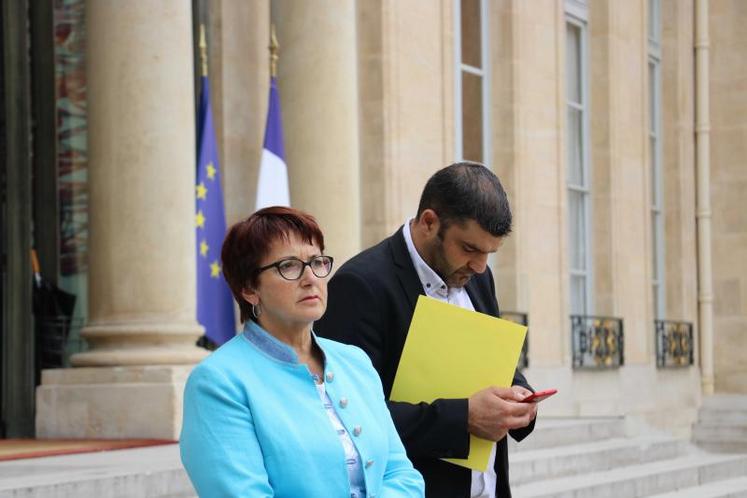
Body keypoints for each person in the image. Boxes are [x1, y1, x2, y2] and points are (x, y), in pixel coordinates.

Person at [315, 162, 538, 498]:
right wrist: (462, 417)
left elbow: (494, 362)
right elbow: (347, 418)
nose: (479, 266)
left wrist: (520, 397)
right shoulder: (360, 285)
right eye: (469, 249)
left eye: (489, 254)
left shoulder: (479, 276)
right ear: (429, 222)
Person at [180, 206, 424, 498]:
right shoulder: (218, 382)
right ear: (249, 288)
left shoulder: (354, 362)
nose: (311, 278)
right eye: (289, 266)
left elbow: (402, 475)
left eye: (317, 262)